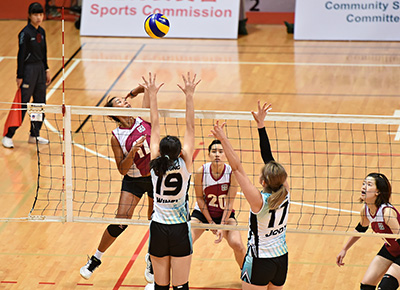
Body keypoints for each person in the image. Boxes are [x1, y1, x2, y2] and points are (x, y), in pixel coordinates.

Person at [211, 101, 290, 290]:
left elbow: (237, 167)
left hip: (259, 260)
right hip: (281, 259)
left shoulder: (259, 202)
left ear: (263, 181)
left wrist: (223, 139)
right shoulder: (286, 191)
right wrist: (261, 126)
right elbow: (269, 158)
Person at [80, 85, 154, 282]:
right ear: (115, 112)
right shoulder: (116, 137)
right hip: (133, 180)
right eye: (120, 102)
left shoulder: (144, 118)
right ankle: (96, 258)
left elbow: (148, 89)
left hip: (156, 177)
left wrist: (135, 91)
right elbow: (122, 169)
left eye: (125, 100)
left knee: (156, 221)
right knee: (121, 220)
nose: (126, 102)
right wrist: (132, 152)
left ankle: (152, 259)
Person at [144, 72, 200, 290]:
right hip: (178, 229)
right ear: (180, 152)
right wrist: (189, 95)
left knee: (160, 286)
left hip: (158, 227)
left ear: (159, 151)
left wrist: (152, 95)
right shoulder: (185, 164)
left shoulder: (154, 164)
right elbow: (190, 127)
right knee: (180, 286)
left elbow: (154, 126)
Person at [336, 173, 400, 290]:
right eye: (363, 183)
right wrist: (344, 249)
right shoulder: (366, 210)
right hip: (391, 249)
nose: (364, 187)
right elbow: (361, 228)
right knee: (366, 286)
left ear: (378, 192)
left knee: (386, 287)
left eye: (369, 184)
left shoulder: (387, 213)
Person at [2, 2, 51, 149]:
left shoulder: (42, 32)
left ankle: (34, 134)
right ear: (29, 16)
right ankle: (8, 135)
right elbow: (21, 55)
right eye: (36, 14)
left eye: (41, 14)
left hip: (40, 70)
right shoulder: (25, 33)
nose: (39, 17)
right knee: (22, 104)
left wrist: (47, 69)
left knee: (39, 103)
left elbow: (44, 52)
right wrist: (20, 75)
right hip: (28, 71)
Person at [191, 139, 246, 268]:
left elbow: (230, 202)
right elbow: (199, 199)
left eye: (221, 151)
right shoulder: (201, 172)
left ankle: (247, 275)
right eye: (214, 151)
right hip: (202, 214)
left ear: (225, 154)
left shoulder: (231, 173)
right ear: (208, 154)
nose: (217, 154)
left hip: (224, 215)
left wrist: (221, 225)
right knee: (185, 242)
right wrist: (210, 222)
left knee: (237, 244)